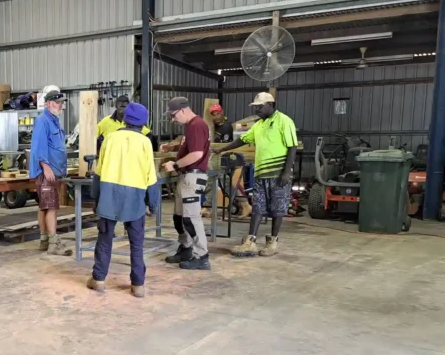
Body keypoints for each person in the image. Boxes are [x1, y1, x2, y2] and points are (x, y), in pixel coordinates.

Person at [87, 103, 159, 298]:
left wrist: (96, 199)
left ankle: (99, 279)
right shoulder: (145, 142)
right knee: (136, 242)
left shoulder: (109, 139)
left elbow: (98, 172)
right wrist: (153, 204)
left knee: (105, 238)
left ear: (124, 118)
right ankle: (138, 285)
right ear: (144, 122)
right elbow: (150, 176)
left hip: (109, 193)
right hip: (134, 196)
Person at [215, 92, 298, 257]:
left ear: (271, 105)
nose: (258, 110)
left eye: (260, 106)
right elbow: (243, 140)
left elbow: (292, 147)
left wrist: (286, 172)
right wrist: (222, 149)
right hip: (261, 174)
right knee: (258, 207)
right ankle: (250, 241)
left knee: (278, 208)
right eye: (256, 107)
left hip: (278, 172)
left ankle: (273, 242)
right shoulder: (259, 125)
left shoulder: (284, 121)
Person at [161, 97, 212, 271]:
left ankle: (201, 256)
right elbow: (190, 147)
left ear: (182, 110)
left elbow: (197, 154)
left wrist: (174, 165)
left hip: (192, 176)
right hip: (186, 176)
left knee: (191, 219)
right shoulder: (190, 126)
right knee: (179, 218)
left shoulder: (197, 125)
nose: (173, 120)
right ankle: (186, 248)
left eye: (174, 116)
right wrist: (173, 148)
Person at [30, 86, 71, 255]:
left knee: (44, 207)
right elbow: (38, 147)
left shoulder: (54, 120)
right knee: (51, 207)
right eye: (57, 102)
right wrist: (45, 167)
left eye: (61, 103)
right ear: (48, 104)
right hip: (47, 172)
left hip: (54, 171)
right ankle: (53, 243)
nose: (60, 106)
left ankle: (44, 240)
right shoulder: (43, 120)